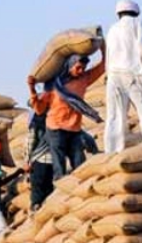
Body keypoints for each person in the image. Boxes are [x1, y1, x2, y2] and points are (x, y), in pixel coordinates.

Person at [27, 42, 106, 178]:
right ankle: (60, 194)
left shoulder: (84, 79)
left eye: (83, 68)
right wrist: (32, 89)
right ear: (70, 64)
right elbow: (40, 110)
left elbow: (103, 66)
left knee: (80, 165)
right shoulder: (53, 85)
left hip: (75, 130)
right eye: (78, 68)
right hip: (56, 130)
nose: (81, 71)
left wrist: (102, 47)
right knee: (59, 167)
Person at [103, 0, 142, 154]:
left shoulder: (112, 29)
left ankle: (112, 152)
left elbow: (108, 53)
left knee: (114, 116)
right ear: (135, 11)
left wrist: (107, 74)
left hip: (114, 76)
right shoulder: (140, 22)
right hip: (132, 74)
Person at [22, 109, 54, 211]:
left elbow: (30, 143)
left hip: (39, 160)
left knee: (37, 188)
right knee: (49, 188)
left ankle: (36, 207)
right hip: (54, 161)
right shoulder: (55, 122)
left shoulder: (37, 123)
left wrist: (26, 161)